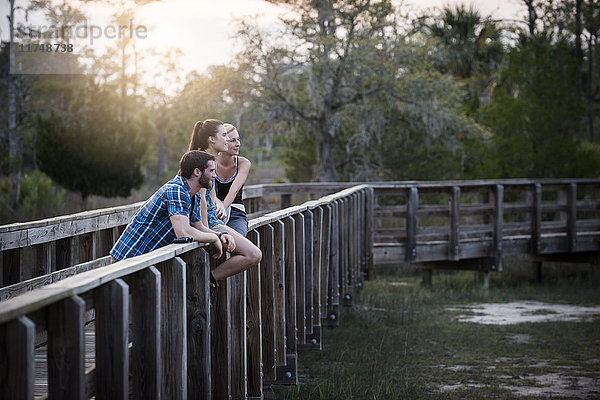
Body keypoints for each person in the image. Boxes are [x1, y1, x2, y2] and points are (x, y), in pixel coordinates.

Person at [110, 150, 251, 282]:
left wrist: (220, 235)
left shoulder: (193, 194)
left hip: (144, 262)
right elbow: (183, 232)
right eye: (212, 171)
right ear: (197, 172)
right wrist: (213, 238)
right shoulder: (176, 190)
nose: (215, 176)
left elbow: (199, 226)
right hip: (127, 260)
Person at [188, 119, 262, 279]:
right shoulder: (202, 165)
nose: (228, 140)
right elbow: (201, 202)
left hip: (217, 221)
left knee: (253, 254)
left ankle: (209, 280)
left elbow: (212, 197)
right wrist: (211, 235)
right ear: (212, 139)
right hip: (210, 225)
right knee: (253, 254)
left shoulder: (210, 162)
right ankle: (206, 280)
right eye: (225, 136)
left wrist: (219, 204)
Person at [215, 123, 251, 236]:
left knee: (238, 242)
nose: (238, 144)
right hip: (213, 213)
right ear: (223, 140)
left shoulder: (243, 163)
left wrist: (222, 209)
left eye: (238, 140)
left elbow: (234, 191)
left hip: (236, 212)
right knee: (213, 247)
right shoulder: (210, 163)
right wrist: (215, 214)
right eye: (233, 140)